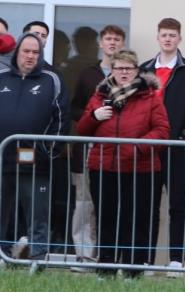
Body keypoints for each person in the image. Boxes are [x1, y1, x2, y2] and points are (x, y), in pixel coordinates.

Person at [77, 49, 170, 278]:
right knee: (105, 217)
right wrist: (93, 117)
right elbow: (82, 129)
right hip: (104, 166)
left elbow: (162, 130)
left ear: (136, 70)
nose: (124, 73)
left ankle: (133, 269)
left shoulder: (150, 97)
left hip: (141, 168)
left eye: (128, 68)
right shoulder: (99, 95)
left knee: (136, 218)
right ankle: (106, 268)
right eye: (119, 68)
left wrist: (136, 146)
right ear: (113, 70)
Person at [141, 18, 185, 275]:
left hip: (176, 149)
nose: (168, 39)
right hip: (147, 150)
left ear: (179, 38)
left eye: (172, 35)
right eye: (164, 35)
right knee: (147, 204)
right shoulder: (144, 71)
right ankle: (145, 259)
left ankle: (176, 260)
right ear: (157, 38)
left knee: (179, 205)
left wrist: (182, 135)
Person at [0, 33, 69, 262]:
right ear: (17, 52)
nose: (30, 56)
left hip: (35, 162)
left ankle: (38, 258)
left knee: (37, 214)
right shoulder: (2, 77)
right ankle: (2, 254)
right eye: (26, 51)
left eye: (35, 52)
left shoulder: (52, 80)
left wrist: (48, 150)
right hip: (2, 159)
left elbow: (61, 118)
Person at [69, 25, 127, 268]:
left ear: (122, 44)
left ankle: (107, 255)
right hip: (88, 148)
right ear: (100, 43)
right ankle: (83, 255)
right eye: (108, 39)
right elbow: (73, 108)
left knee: (111, 203)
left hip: (118, 152)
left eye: (116, 39)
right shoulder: (88, 73)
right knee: (84, 202)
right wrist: (94, 115)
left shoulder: (130, 74)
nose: (112, 43)